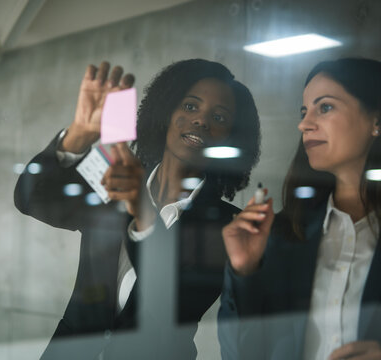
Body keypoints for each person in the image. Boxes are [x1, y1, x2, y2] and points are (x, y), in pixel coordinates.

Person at [14, 59, 261, 359]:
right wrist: (79, 135)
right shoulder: (114, 179)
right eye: (190, 106)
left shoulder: (230, 227)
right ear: (167, 111)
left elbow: (167, 301)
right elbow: (31, 199)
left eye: (219, 117)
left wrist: (140, 208)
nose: (201, 121)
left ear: (232, 137)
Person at [218, 58, 381, 360]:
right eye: (304, 111)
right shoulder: (279, 235)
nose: (303, 124)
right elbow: (239, 354)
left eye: (325, 107)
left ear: (377, 121)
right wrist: (244, 271)